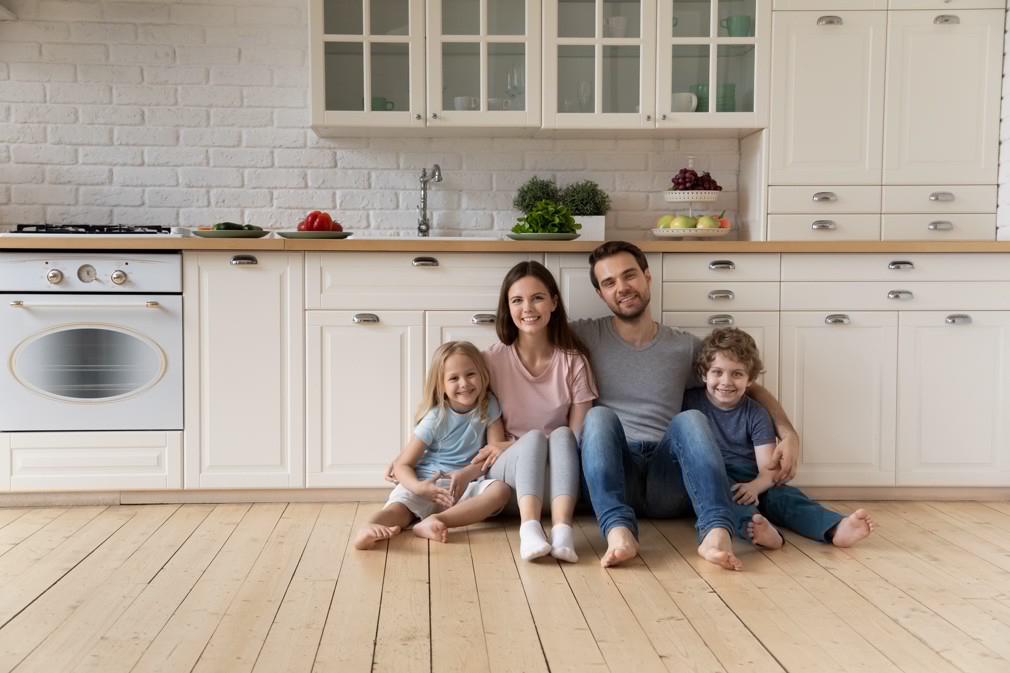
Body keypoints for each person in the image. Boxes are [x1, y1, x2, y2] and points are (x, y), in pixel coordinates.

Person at [573, 241, 800, 570]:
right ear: (600, 294)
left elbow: (745, 386)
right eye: (609, 282)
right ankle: (619, 532)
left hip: (670, 477)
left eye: (629, 275)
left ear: (647, 277)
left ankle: (715, 532)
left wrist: (788, 434)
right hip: (615, 472)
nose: (622, 288)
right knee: (598, 417)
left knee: (691, 419)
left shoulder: (683, 347)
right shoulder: (583, 335)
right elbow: (529, 334)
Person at [683, 327, 875, 549]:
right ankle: (758, 530)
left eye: (737, 374)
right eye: (717, 372)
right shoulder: (690, 402)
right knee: (729, 498)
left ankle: (836, 528)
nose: (726, 381)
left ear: (750, 379)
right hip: (715, 476)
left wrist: (756, 486)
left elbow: (769, 466)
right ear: (703, 374)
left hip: (754, 478)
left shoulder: (756, 412)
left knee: (787, 499)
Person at [477, 260, 598, 562]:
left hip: (561, 477)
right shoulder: (490, 361)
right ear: (508, 307)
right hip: (509, 476)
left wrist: (531, 443)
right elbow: (492, 442)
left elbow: (577, 436)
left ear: (554, 302)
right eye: (517, 300)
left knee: (560, 435)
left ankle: (562, 532)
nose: (527, 308)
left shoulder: (574, 361)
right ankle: (529, 529)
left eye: (538, 298)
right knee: (534, 439)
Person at [354, 341, 511, 550]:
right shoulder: (435, 418)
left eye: (470, 374)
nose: (464, 383)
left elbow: (493, 452)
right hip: (428, 482)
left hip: (466, 484)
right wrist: (420, 487)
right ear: (441, 385)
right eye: (454, 378)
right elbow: (403, 465)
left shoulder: (489, 404)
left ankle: (436, 521)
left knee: (501, 491)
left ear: (483, 374)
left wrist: (466, 475)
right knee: (398, 510)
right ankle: (368, 528)